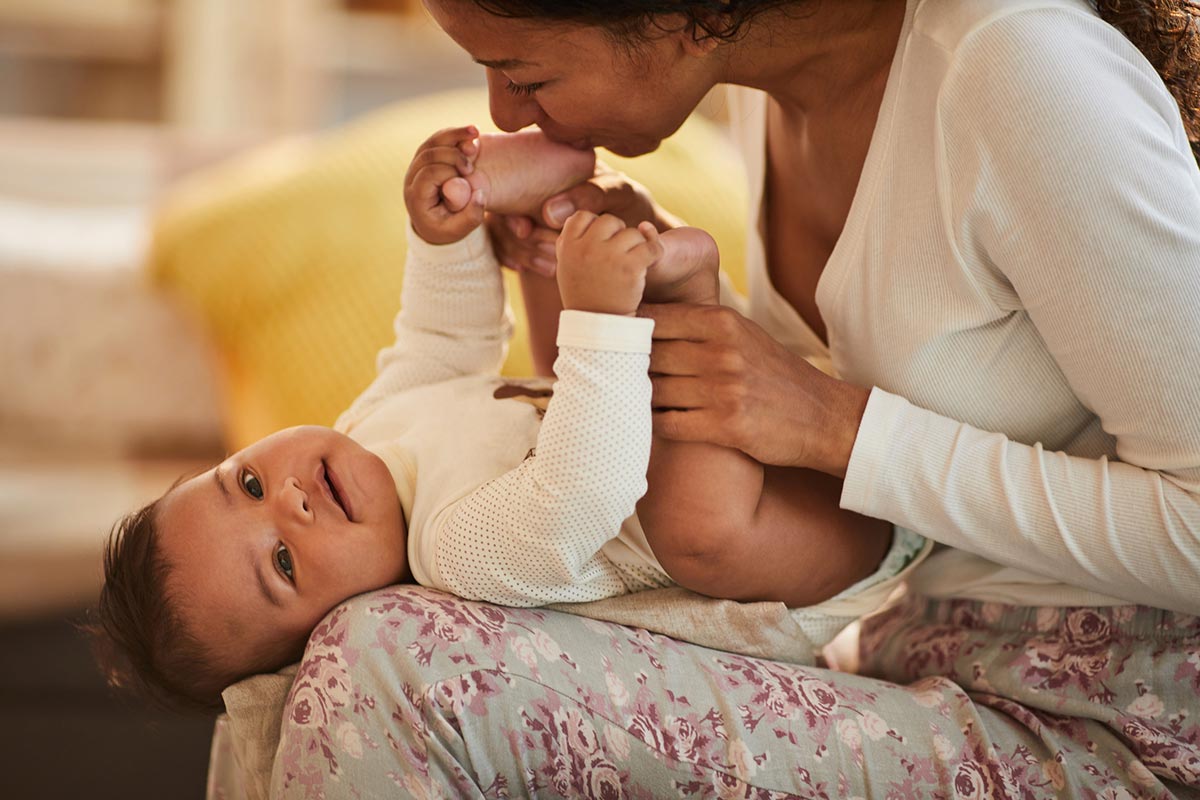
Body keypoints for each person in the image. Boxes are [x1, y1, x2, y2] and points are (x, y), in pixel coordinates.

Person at [265, 0, 1199, 795]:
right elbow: (754, 459)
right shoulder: (780, 99)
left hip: (1103, 727)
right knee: (273, 675)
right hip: (908, 659)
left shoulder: (1018, 74)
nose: (502, 107)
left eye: (517, 69)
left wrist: (840, 427)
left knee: (387, 661)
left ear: (673, 15)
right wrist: (622, 285)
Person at [92, 125, 899, 712]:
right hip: (803, 541)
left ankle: (556, 198)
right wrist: (602, 315)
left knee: (551, 298)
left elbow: (442, 340)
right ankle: (682, 289)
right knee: (693, 526)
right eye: (285, 564)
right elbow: (592, 487)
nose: (292, 504)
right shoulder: (455, 554)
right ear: (327, 635)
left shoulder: (370, 431)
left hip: (726, 433)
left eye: (249, 480)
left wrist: (442, 230)